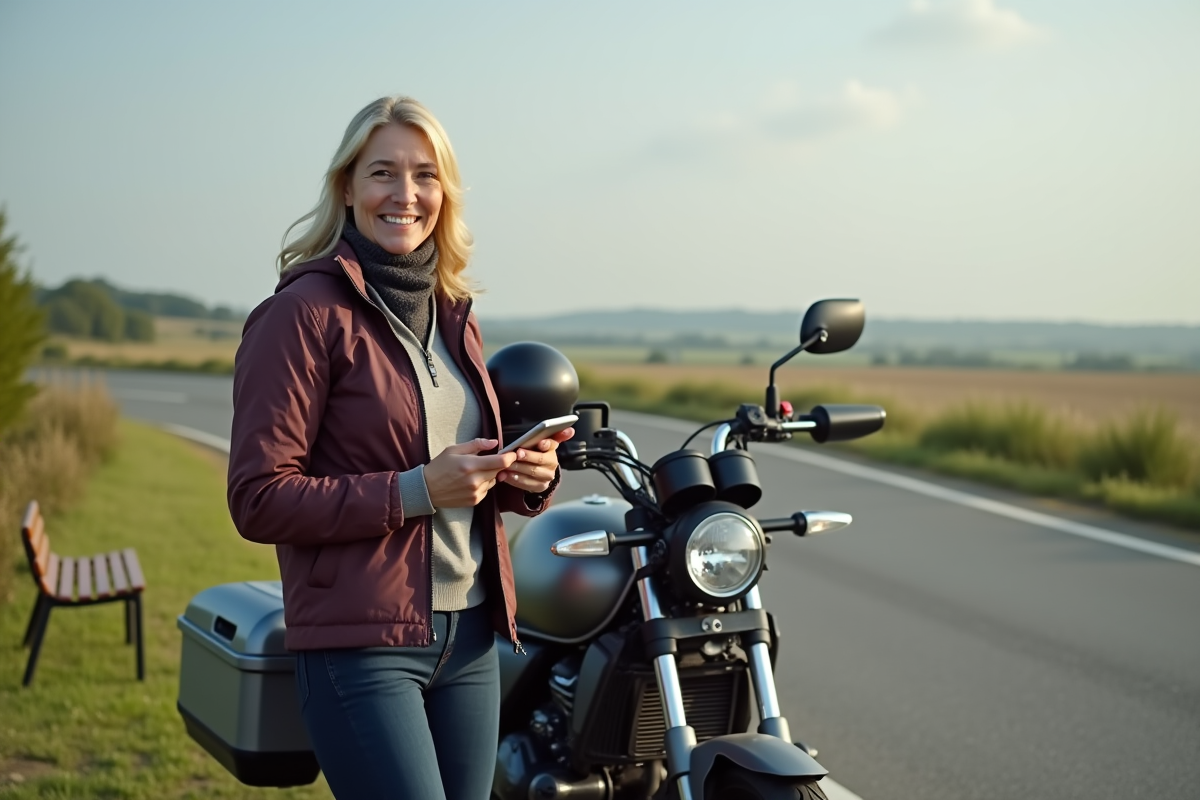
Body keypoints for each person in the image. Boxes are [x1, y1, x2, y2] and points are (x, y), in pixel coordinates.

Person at [226, 95, 571, 800]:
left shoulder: (454, 315)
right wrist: (417, 490)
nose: (404, 194)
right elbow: (258, 499)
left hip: (471, 638)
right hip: (362, 648)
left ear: (444, 193)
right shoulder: (300, 315)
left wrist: (524, 476)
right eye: (383, 172)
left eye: (424, 175)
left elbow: (457, 471)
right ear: (346, 187)